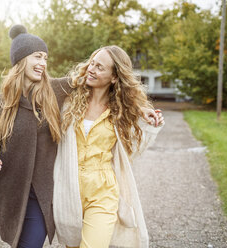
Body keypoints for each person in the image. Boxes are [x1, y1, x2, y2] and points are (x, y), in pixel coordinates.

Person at [53, 45, 164, 248]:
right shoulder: (68, 100)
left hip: (103, 190)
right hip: (69, 187)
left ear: (114, 77)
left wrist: (146, 118)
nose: (92, 69)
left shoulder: (121, 112)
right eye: (92, 63)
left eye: (100, 67)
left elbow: (135, 148)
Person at [0, 24, 71, 248]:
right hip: (12, 192)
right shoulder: (0, 103)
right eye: (37, 56)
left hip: (42, 194)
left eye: (45, 58)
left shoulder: (55, 91)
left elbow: (96, 82)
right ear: (20, 60)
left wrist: (140, 107)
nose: (43, 64)